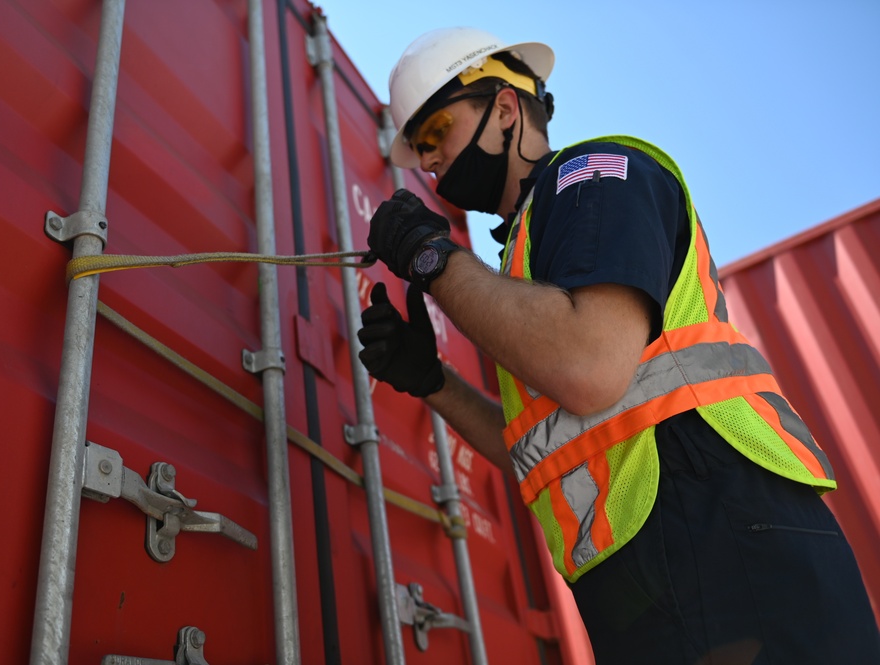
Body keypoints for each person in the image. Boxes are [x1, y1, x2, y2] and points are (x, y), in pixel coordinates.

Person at [357, 26, 880, 664]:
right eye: (417, 147)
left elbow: (588, 369)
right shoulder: (520, 272)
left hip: (728, 546)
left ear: (503, 107)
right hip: (650, 581)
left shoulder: (597, 175)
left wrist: (433, 257)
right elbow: (547, 445)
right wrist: (431, 380)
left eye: (435, 132)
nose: (429, 159)